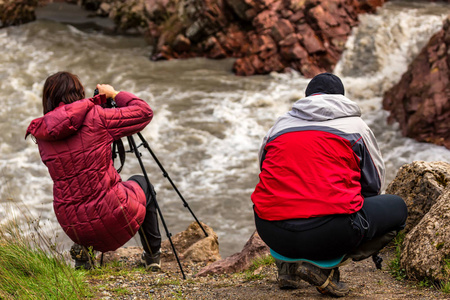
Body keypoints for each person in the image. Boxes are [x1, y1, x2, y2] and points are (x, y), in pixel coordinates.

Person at [251, 73, 407, 297]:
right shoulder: (356, 127)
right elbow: (373, 185)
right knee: (398, 208)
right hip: (330, 233)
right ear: (340, 98)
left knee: (281, 196)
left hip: (271, 230)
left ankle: (287, 269)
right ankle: (323, 267)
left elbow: (267, 174)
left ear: (306, 99)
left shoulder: (279, 126)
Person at [25, 71, 161, 271]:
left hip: (72, 225)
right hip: (114, 217)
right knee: (143, 183)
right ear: (78, 92)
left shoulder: (43, 133)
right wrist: (114, 94)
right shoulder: (97, 117)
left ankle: (84, 254)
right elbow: (144, 112)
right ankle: (152, 256)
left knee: (78, 190)